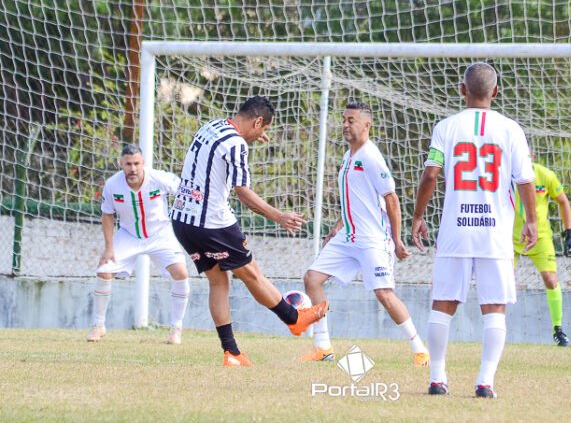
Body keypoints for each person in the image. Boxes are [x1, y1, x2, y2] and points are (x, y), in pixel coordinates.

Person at [170, 96, 328, 367]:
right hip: (212, 222)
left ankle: (231, 353)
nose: (262, 134)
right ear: (257, 122)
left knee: (219, 281)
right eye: (263, 128)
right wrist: (279, 216)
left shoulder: (213, 126)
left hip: (183, 220)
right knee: (251, 273)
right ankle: (294, 319)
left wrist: (250, 136)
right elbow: (243, 193)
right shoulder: (236, 144)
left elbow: (220, 154)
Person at [411, 62, 538, 398]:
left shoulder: (446, 127)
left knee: (443, 303)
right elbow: (525, 179)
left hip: (456, 229)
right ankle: (485, 382)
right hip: (495, 232)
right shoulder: (511, 129)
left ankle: (437, 379)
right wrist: (531, 221)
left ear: (462, 90)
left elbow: (431, 174)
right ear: (495, 91)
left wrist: (418, 215)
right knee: (494, 308)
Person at [300, 101, 430, 366]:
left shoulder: (371, 157)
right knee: (312, 279)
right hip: (348, 237)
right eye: (344, 120)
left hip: (372, 239)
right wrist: (338, 227)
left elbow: (391, 199)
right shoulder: (348, 156)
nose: (345, 125)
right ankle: (323, 347)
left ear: (366, 124)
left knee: (384, 294)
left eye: (351, 120)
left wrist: (397, 240)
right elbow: (355, 198)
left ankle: (420, 351)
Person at [87, 144, 190, 345]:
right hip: (129, 235)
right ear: (121, 164)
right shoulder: (112, 185)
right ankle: (98, 325)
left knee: (181, 273)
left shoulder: (159, 178)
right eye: (128, 164)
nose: (132, 169)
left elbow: (185, 192)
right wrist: (108, 247)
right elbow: (107, 215)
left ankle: (176, 329)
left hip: (160, 234)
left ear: (143, 163)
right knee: (104, 271)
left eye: (136, 163)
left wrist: (184, 218)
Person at [513, 161, 571, 347]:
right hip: (510, 237)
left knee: (551, 279)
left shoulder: (546, 175)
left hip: (540, 236)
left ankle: (558, 329)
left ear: (532, 156)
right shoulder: (506, 175)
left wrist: (570, 235)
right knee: (503, 281)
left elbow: (563, 201)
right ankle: (496, 325)